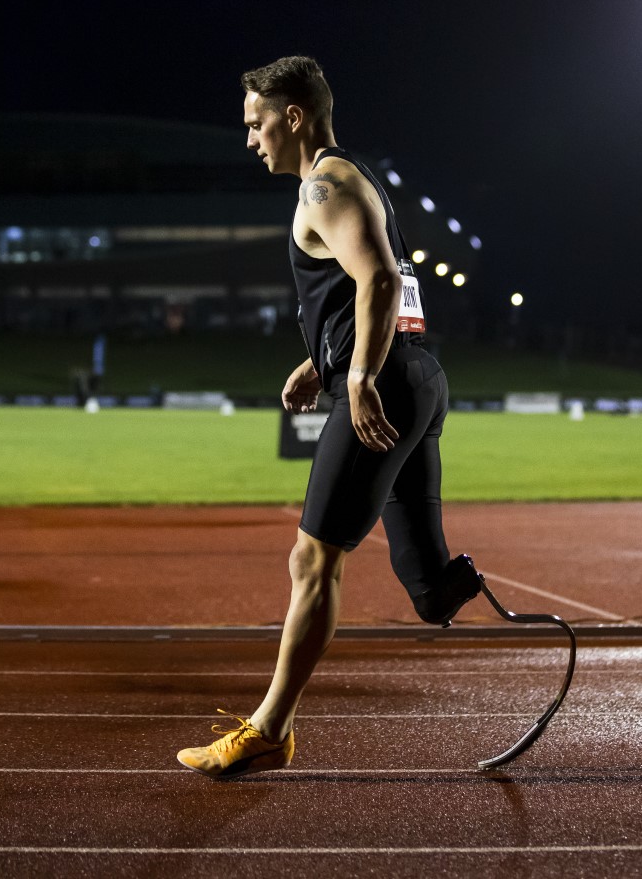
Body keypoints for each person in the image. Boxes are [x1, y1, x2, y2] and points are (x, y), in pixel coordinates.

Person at [177, 55, 481, 778]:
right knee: (429, 590)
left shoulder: (325, 184)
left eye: (256, 124)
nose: (251, 140)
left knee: (312, 559)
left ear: (293, 115)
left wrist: (359, 375)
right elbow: (371, 285)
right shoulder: (352, 176)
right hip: (419, 373)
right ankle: (456, 581)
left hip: (390, 381)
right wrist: (324, 358)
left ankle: (269, 729)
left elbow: (377, 275)